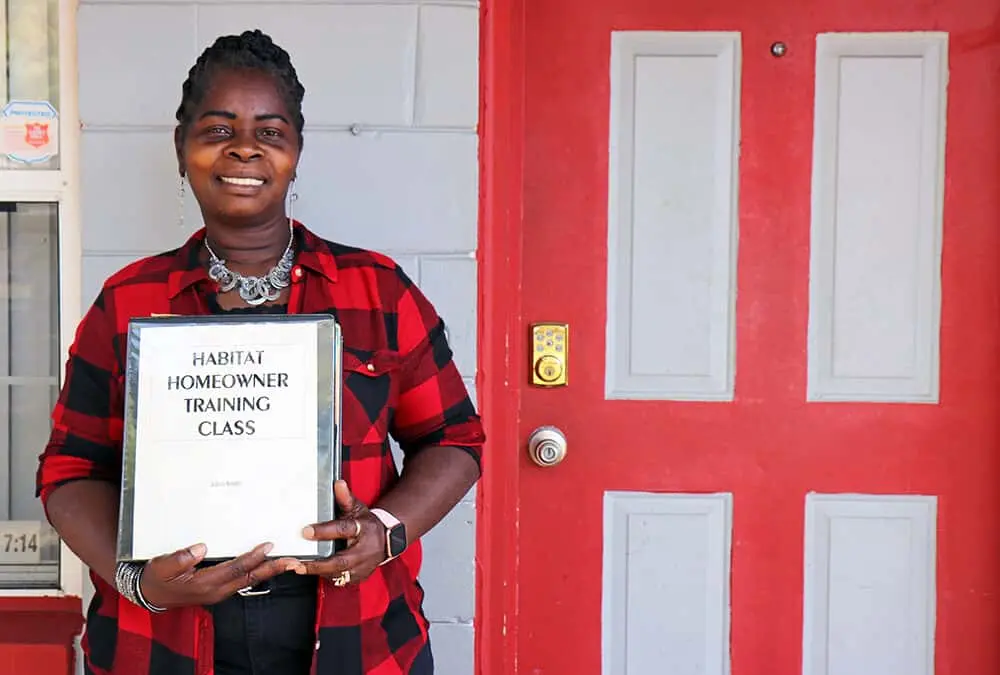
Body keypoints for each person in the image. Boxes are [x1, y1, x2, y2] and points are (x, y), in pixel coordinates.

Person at [35, 29, 485, 675]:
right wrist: (138, 581)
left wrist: (386, 529)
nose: (244, 147)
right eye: (219, 129)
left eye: (269, 132)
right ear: (182, 148)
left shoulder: (378, 291)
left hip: (355, 639)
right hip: (165, 641)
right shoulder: (129, 300)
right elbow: (70, 471)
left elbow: (455, 438)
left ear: (296, 152)